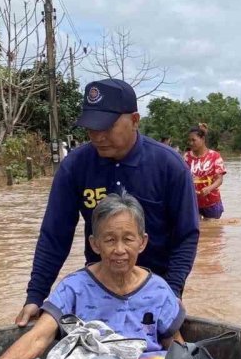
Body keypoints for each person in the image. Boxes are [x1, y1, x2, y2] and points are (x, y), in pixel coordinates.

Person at [15, 79, 199, 327]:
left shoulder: (169, 166)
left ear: (135, 120)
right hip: (100, 287)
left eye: (107, 127)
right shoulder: (75, 167)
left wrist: (173, 290)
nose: (98, 136)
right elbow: (55, 235)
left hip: (157, 287)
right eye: (91, 128)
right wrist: (36, 295)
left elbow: (186, 234)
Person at [0, 193, 185, 359]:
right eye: (109, 240)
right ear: (95, 244)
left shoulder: (158, 289)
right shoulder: (74, 288)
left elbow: (176, 348)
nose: (119, 250)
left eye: (128, 239)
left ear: (142, 242)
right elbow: (40, 336)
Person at [184, 123, 227, 220]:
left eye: (193, 140)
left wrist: (209, 188)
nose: (191, 143)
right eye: (189, 140)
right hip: (193, 202)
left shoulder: (214, 156)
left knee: (213, 230)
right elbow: (182, 178)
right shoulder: (186, 157)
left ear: (202, 139)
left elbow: (219, 180)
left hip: (211, 201)